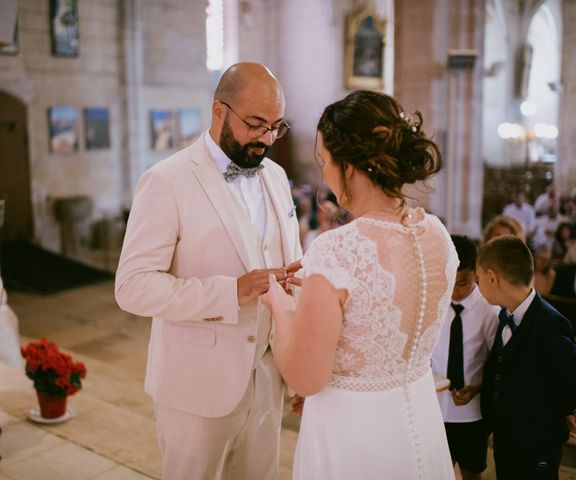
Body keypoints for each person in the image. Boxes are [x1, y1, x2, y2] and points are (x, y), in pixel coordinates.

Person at [115, 62, 303, 480]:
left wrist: (297, 364)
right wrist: (229, 292)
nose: (268, 139)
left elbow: (292, 269)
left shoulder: (276, 175)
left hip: (268, 379)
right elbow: (131, 287)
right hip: (196, 388)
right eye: (256, 124)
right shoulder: (166, 181)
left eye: (276, 126)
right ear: (219, 111)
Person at [263, 90, 458, 479]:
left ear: (349, 167)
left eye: (325, 161)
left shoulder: (337, 250)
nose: (325, 174)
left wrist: (280, 303)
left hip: (353, 430)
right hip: (420, 417)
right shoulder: (437, 235)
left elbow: (305, 378)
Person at [477, 235, 576, 479]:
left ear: (492, 277)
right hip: (507, 437)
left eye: (479, 280)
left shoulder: (550, 324)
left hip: (538, 443)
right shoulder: (505, 315)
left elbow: (569, 375)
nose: (478, 287)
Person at [432, 235, 499, 480]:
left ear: (476, 272)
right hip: (435, 410)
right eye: (449, 281)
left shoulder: (489, 311)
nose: (454, 292)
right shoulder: (434, 303)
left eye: (462, 283)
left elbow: (497, 364)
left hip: (472, 414)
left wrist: (478, 388)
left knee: (472, 472)